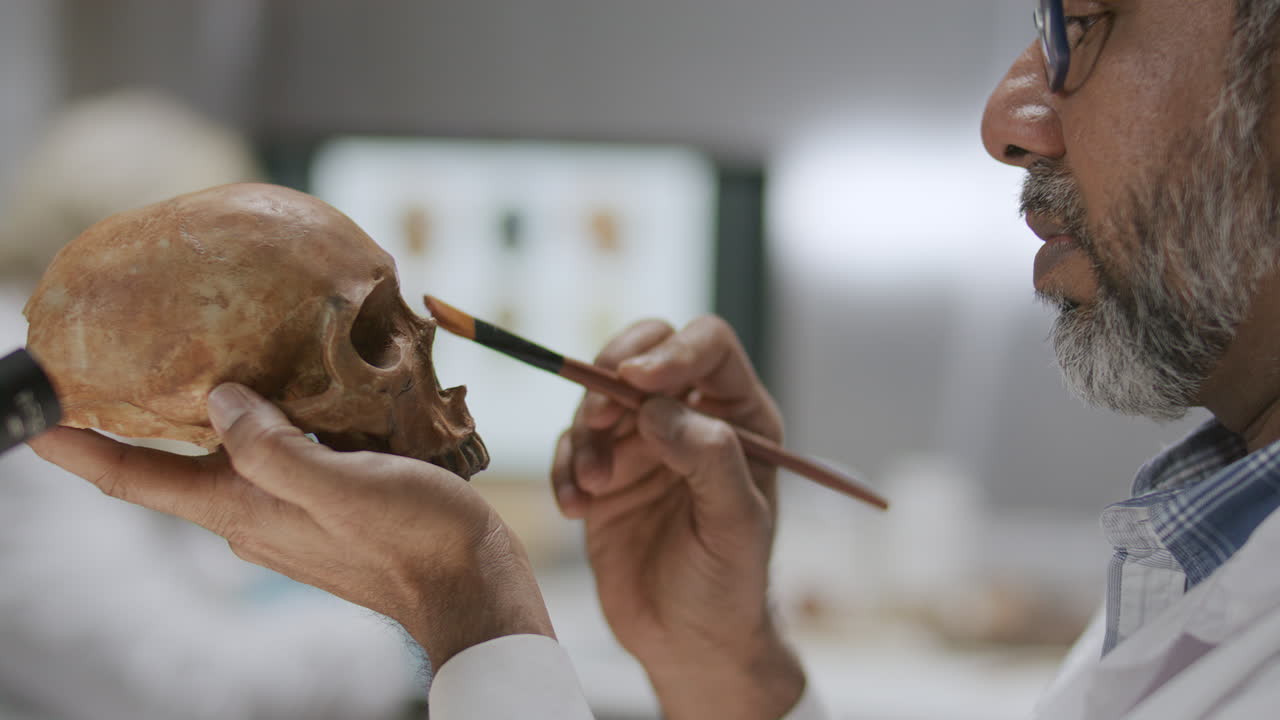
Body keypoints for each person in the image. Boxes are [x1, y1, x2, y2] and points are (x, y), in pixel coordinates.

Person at [27, 0, 1280, 717]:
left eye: (1089, 21)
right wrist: (721, 664)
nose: (1007, 119)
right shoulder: (1202, 545)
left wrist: (467, 608)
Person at [1, 90, 425, 720]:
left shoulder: (93, 372)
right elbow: (181, 686)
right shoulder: (27, 390)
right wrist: (444, 626)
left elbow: (196, 579)